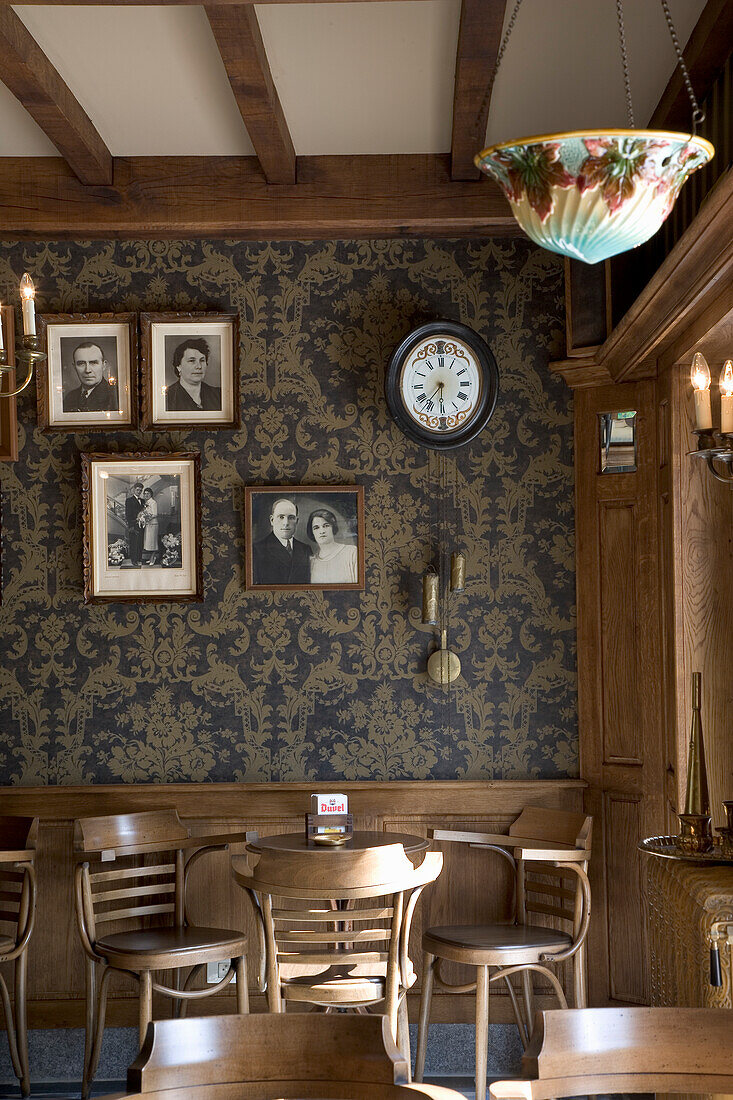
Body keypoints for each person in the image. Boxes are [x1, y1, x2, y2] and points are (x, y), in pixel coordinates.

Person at [252, 497, 311, 585]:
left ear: (297, 521)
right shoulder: (257, 549)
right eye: (281, 517)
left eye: (291, 517)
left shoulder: (305, 549)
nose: (286, 523)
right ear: (272, 520)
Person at [165, 338, 221, 412]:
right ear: (178, 366)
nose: (199, 366)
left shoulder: (219, 394)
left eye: (202, 360)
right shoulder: (167, 397)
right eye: (191, 361)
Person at [63, 341, 119, 412]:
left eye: (93, 363)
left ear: (104, 365)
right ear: (74, 367)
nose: (87, 370)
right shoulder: (70, 397)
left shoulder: (116, 396)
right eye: (81, 364)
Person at [307, 508, 358, 584]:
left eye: (326, 526)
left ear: (333, 527)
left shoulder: (351, 553)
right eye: (316, 528)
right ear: (312, 533)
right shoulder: (311, 562)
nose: (322, 531)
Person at [125, 482, 145, 568]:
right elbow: (128, 514)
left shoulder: (143, 501)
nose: (139, 491)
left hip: (141, 525)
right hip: (133, 524)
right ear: (134, 490)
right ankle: (134, 560)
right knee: (133, 543)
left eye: (140, 490)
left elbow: (144, 512)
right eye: (137, 490)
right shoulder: (129, 500)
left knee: (140, 542)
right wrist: (131, 526)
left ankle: (139, 558)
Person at [140, 487, 159, 566]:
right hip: (148, 524)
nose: (146, 495)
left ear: (151, 494)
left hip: (153, 524)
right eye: (145, 493)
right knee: (149, 542)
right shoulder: (146, 503)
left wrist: (147, 518)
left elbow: (155, 514)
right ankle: (151, 557)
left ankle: (153, 557)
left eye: (148, 493)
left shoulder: (153, 502)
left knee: (153, 542)